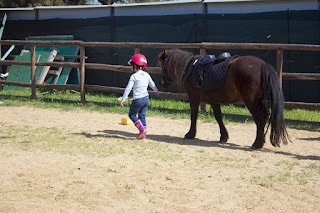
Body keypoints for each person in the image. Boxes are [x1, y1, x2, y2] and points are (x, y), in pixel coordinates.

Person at [120, 53, 159, 139]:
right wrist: (157, 91)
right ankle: (143, 136)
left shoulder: (134, 76)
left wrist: (123, 99)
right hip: (146, 99)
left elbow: (128, 88)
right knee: (142, 116)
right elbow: (152, 84)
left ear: (135, 65)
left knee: (132, 115)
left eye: (132, 65)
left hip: (138, 100)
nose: (131, 67)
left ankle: (142, 130)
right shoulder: (147, 75)